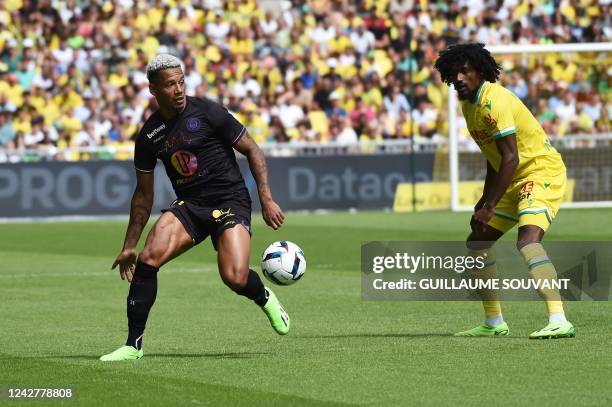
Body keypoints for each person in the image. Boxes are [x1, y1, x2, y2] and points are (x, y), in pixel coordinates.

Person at [100, 54, 288, 361]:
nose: (178, 89)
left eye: (181, 81)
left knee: (234, 277)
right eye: (170, 84)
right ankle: (133, 345)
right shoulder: (149, 136)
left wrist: (266, 199)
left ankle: (264, 296)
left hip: (230, 201)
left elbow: (252, 149)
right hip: (191, 206)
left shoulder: (209, 112)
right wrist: (128, 245)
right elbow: (143, 196)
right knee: (148, 258)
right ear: (153, 89)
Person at [433, 43, 575, 339]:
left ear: (480, 72)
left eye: (465, 70)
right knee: (477, 243)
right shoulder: (468, 106)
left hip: (540, 171)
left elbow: (511, 157)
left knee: (528, 240)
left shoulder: (494, 100)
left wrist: (490, 204)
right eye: (453, 72)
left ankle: (559, 319)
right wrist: (485, 203)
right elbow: (495, 159)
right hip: (513, 176)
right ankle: (494, 322)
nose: (458, 77)